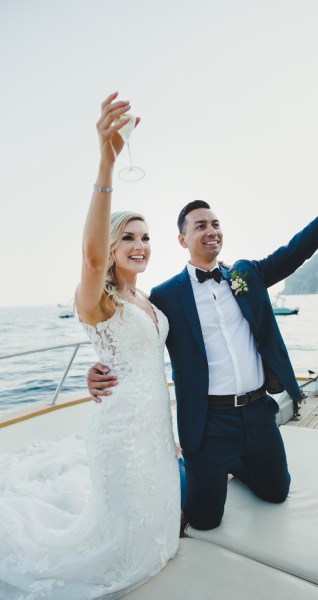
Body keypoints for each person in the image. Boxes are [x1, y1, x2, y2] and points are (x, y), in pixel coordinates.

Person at [88, 168, 318, 532]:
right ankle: (189, 468)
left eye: (215, 223)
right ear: (182, 240)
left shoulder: (246, 274)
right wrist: (97, 370)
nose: (211, 230)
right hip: (208, 424)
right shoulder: (166, 297)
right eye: (199, 225)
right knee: (204, 521)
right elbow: (135, 341)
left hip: (258, 414)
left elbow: (297, 251)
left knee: (277, 492)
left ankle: (240, 464)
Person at [0, 93, 180, 599]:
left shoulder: (145, 298)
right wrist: (106, 161)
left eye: (145, 236)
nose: (140, 245)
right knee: (118, 541)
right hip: (120, 428)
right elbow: (91, 251)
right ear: (113, 248)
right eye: (129, 238)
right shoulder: (96, 300)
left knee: (155, 520)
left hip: (155, 425)